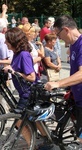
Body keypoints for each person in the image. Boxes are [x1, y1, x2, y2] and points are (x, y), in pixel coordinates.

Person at [44, 15, 82, 146]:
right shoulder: (73, 45)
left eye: (58, 35)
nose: (58, 38)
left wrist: (58, 83)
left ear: (66, 29)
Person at [3, 27, 36, 109]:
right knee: (30, 120)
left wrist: (13, 72)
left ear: (13, 41)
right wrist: (0, 62)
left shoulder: (24, 55)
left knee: (19, 119)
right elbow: (16, 64)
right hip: (23, 93)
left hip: (28, 94)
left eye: (6, 40)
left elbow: (32, 77)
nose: (4, 42)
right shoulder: (16, 53)